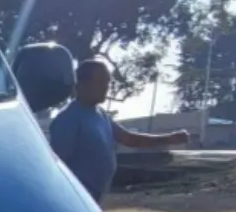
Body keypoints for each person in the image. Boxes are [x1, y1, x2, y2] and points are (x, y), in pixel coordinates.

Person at [49, 58, 189, 203]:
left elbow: (129, 139)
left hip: (96, 195)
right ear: (82, 84)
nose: (106, 87)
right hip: (75, 197)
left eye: (107, 82)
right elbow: (57, 164)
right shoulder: (68, 119)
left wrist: (169, 139)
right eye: (101, 82)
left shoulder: (101, 115)